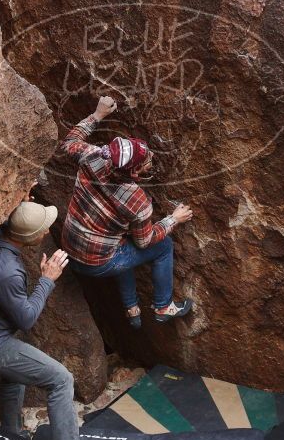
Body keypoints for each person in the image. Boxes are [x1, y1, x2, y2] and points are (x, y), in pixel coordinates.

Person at [0, 199, 96, 440]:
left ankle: (10, 436)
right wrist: (47, 279)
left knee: (16, 374)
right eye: (42, 229)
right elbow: (27, 318)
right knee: (61, 379)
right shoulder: (8, 272)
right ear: (30, 237)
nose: (46, 232)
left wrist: (25, 200)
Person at [61, 96, 194, 329]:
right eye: (145, 161)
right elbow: (145, 242)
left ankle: (132, 308)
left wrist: (98, 114)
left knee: (122, 240)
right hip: (97, 263)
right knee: (163, 247)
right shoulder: (137, 201)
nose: (150, 158)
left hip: (69, 251)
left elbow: (70, 141)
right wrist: (173, 219)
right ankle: (163, 306)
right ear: (134, 173)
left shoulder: (93, 156)